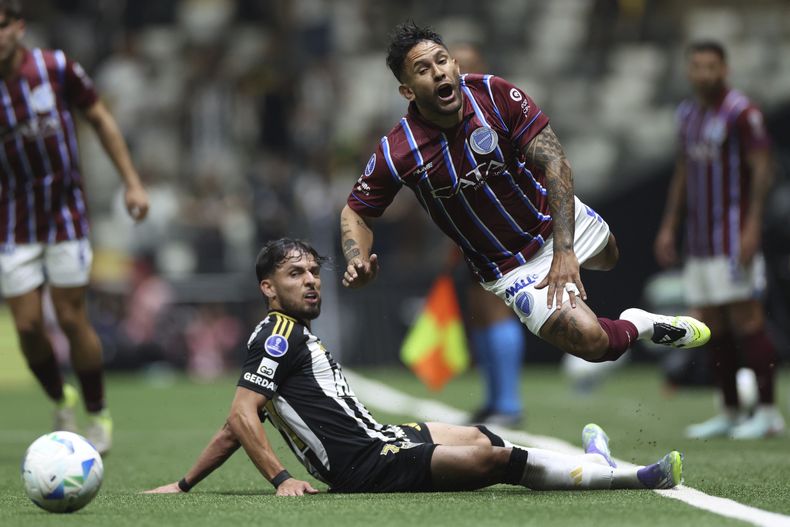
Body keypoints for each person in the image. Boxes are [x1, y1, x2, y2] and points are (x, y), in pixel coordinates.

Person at [144, 238, 682, 496]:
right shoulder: (280, 334)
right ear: (268, 288)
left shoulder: (287, 334)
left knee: (479, 435)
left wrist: (185, 483)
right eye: (294, 274)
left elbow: (236, 423)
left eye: (313, 271)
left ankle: (592, 463)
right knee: (491, 460)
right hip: (363, 462)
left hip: (377, 437)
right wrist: (282, 479)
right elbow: (243, 413)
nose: (310, 280)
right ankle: (627, 478)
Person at [339, 22, 711, 369]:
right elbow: (355, 212)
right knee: (594, 344)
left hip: (551, 221)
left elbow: (556, 163)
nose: (438, 72)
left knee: (611, 256)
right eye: (423, 69)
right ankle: (639, 324)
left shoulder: (495, 93)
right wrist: (356, 259)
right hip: (510, 266)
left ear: (453, 64)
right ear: (407, 90)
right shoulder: (398, 151)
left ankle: (584, 277)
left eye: (441, 60)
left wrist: (564, 251)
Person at [0, 0, 149, 454]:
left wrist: (132, 182)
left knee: (70, 317)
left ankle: (97, 411)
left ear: (18, 27)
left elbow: (100, 118)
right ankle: (59, 396)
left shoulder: (56, 68)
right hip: (13, 219)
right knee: (26, 327)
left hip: (65, 213)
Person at [654, 40, 784, 439]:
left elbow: (763, 168)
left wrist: (751, 227)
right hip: (700, 237)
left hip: (732, 234)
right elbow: (682, 171)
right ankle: (729, 409)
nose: (704, 74)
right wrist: (669, 224)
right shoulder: (688, 114)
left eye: (711, 66)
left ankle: (767, 412)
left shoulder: (742, 113)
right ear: (689, 71)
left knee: (746, 318)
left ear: (724, 69)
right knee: (712, 323)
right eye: (697, 66)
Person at [450, 42, 525, 426]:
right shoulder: (448, 115)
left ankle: (509, 404)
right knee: (479, 311)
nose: (456, 71)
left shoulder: (494, 108)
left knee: (495, 308)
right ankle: (494, 398)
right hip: (469, 230)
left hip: (497, 226)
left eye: (466, 64)